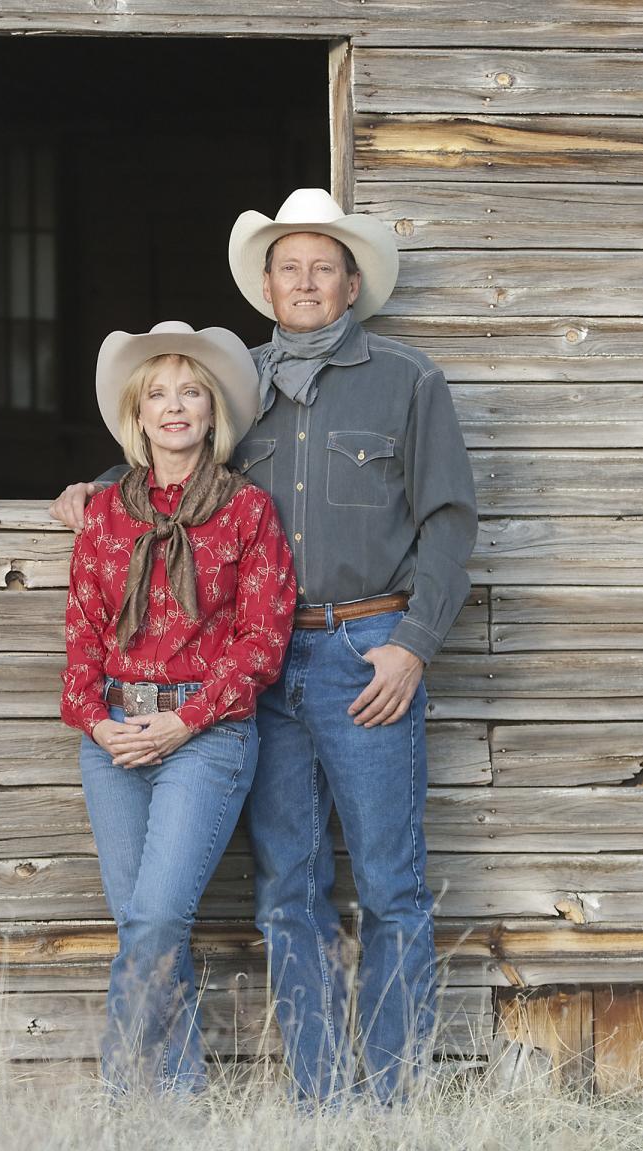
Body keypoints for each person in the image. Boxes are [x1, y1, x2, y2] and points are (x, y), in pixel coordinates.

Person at [51, 190, 477, 1105]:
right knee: (288, 885)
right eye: (290, 267)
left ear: (353, 281)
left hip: (366, 651)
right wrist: (90, 490)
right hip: (265, 671)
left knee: (391, 882)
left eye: (324, 266)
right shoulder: (235, 380)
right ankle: (321, 1101)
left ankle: (393, 1101)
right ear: (266, 283)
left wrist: (412, 644)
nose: (307, 282)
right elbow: (167, 445)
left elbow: (448, 522)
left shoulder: (407, 379)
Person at [59, 320, 296, 1095]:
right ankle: (178, 1110)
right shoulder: (104, 513)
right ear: (137, 415)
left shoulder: (248, 511)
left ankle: (123, 1097)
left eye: (189, 391)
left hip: (205, 734)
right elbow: (82, 640)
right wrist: (100, 723)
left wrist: (183, 721)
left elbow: (261, 641)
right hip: (114, 737)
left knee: (157, 917)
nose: (173, 406)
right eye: (157, 394)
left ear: (211, 411)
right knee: (144, 927)